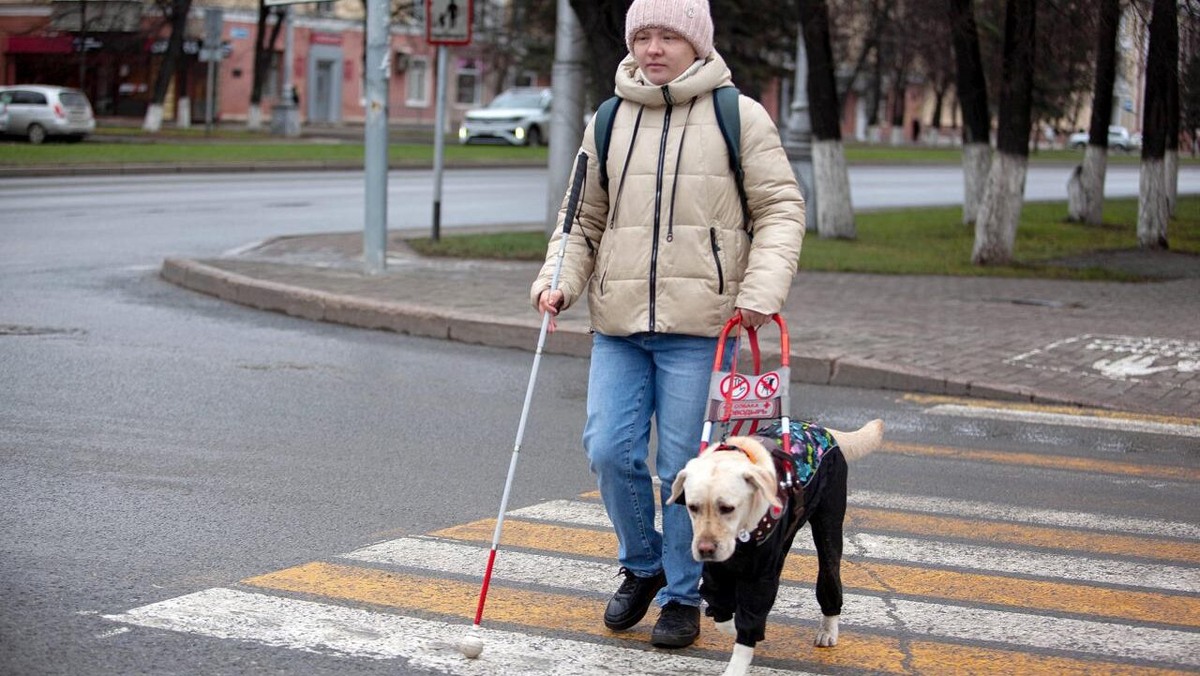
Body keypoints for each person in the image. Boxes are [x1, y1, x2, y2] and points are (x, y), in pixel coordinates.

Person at [530, 0, 804, 649]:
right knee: (606, 448)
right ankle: (646, 564)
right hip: (619, 323)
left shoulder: (738, 116)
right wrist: (558, 279)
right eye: (643, 35)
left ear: (696, 42)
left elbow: (781, 209)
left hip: (703, 326)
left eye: (668, 36)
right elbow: (581, 219)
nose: (654, 48)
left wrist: (760, 293)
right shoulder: (610, 117)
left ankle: (685, 596)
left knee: (684, 469)